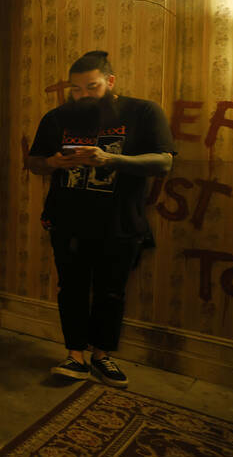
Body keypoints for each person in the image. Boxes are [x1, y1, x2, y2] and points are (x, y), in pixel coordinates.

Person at [25, 50, 175, 388]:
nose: (82, 96)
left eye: (91, 87)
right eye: (75, 89)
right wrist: (51, 164)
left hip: (120, 222)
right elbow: (33, 161)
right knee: (72, 289)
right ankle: (75, 357)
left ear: (110, 81)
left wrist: (109, 159)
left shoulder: (143, 112)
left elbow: (164, 163)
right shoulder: (57, 117)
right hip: (67, 222)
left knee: (111, 292)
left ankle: (102, 355)